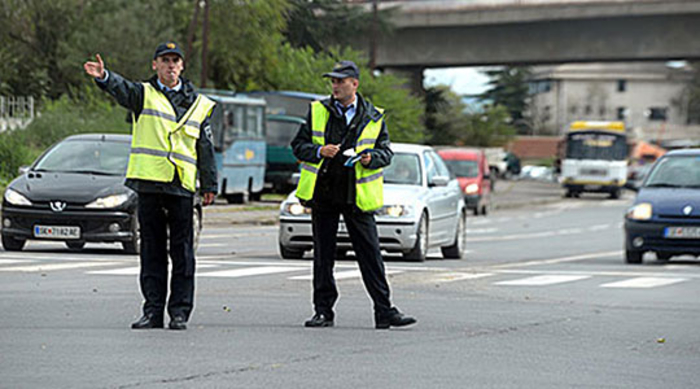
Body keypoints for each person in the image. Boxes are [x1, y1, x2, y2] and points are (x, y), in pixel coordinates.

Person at [83, 42, 217, 331]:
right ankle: (152, 311)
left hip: (181, 185)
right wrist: (105, 77)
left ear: (182, 66)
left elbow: (205, 146)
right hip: (149, 184)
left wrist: (209, 184)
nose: (170, 65)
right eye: (164, 60)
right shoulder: (143, 94)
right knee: (151, 253)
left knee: (182, 253)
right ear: (154, 65)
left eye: (175, 61)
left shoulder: (199, 103)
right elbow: (122, 89)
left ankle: (179, 312)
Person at [291, 60, 416, 330]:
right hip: (323, 191)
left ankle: (384, 310)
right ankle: (323, 311)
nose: (335, 86)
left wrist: (372, 158)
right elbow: (298, 146)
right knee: (323, 256)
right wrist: (318, 151)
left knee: (371, 254)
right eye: (333, 81)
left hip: (356, 194)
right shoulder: (317, 111)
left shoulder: (373, 115)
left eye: (340, 81)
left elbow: (386, 152)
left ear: (354, 84)